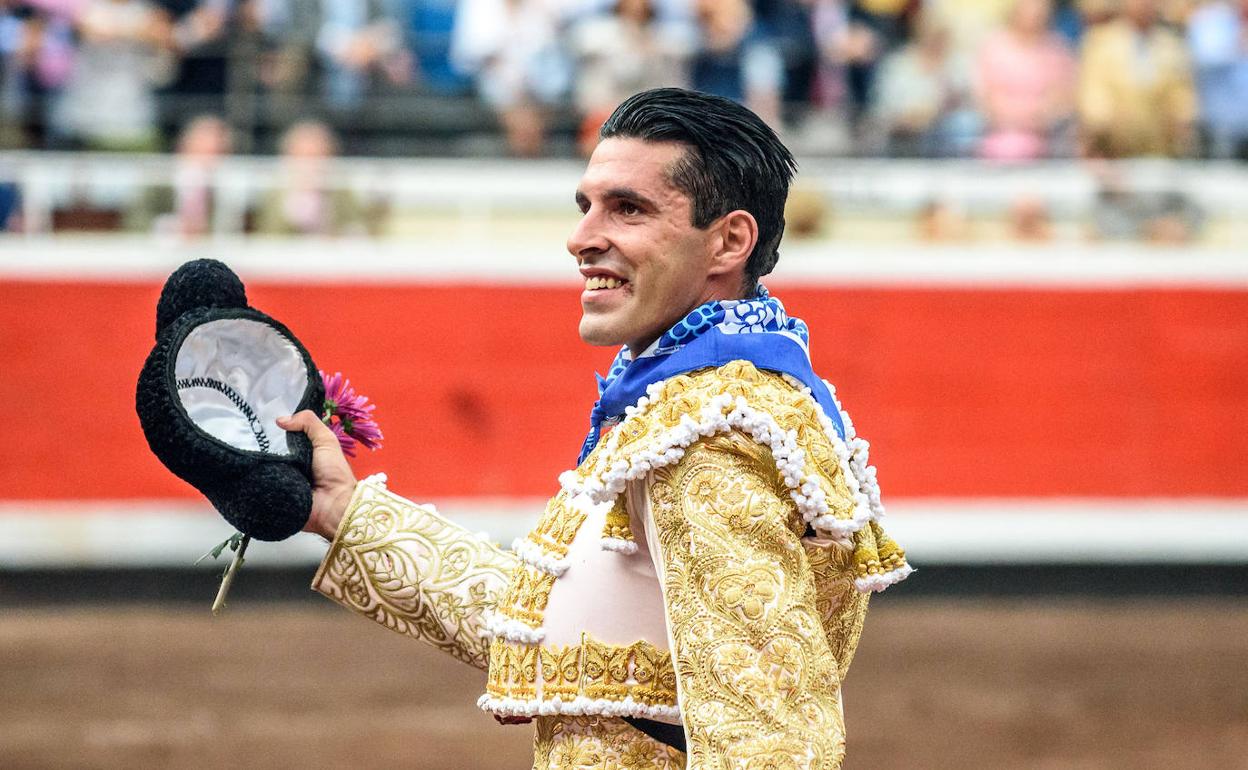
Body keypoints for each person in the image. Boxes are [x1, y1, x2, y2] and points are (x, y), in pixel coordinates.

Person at [279, 88, 911, 768]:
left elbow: (767, 741)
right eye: (587, 206)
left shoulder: (712, 436)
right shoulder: (701, 399)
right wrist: (341, 510)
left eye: (628, 208)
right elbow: (559, 628)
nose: (582, 238)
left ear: (729, 240)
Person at [1077, 0, 1197, 158]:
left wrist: (1182, 120)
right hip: (1114, 151)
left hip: (1161, 152)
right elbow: (1093, 94)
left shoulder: (1172, 46)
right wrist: (1103, 124)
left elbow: (1182, 96)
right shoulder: (1100, 42)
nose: (1143, 4)